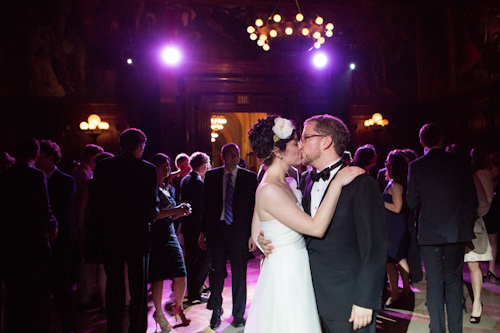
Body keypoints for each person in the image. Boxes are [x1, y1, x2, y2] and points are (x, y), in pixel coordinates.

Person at [259, 114, 388, 332]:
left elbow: (375, 247)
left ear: (326, 141)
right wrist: (264, 236)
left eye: (305, 137)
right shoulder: (306, 181)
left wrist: (366, 300)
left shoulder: (361, 184)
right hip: (307, 296)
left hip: (346, 299)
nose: (299, 143)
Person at [407, 123, 478, 333]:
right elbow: (471, 200)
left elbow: (411, 202)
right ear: (442, 139)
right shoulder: (460, 162)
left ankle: (436, 330)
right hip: (455, 232)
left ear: (422, 142)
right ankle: (456, 330)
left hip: (429, 234)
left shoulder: (417, 166)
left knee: (435, 283)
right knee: (454, 281)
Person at [92, 128, 159, 333]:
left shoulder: (104, 167)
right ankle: (137, 328)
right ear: (140, 146)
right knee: (138, 286)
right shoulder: (147, 169)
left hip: (111, 234)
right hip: (137, 233)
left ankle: (114, 327)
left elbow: (97, 202)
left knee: (114, 283)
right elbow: (152, 206)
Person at [0, 137, 57, 333]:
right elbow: (43, 208)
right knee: (38, 293)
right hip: (34, 243)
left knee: (15, 294)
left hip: (9, 243)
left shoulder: (5, 177)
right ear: (37, 155)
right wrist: (52, 226)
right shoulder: (36, 175)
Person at [199, 143, 258, 329]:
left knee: (239, 273)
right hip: (218, 230)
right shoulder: (212, 176)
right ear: (222, 156)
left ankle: (238, 314)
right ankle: (216, 311)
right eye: (230, 154)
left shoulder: (249, 178)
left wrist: (253, 234)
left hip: (239, 231)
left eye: (236, 154)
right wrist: (202, 232)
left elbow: (254, 207)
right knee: (216, 273)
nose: (234, 157)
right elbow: (205, 205)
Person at [36, 140, 77, 333]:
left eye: (40, 156)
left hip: (59, 239)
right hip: (39, 240)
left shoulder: (66, 180)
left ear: (51, 158)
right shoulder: (34, 179)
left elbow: (63, 212)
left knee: (62, 284)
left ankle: (69, 324)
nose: (37, 160)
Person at [148, 153, 192, 331]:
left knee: (181, 273)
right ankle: (159, 313)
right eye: (163, 165)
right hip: (156, 235)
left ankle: (178, 306)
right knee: (158, 277)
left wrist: (180, 212)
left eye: (168, 164)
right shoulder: (151, 189)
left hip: (169, 233)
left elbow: (168, 216)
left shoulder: (170, 188)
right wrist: (175, 210)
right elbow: (154, 215)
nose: (167, 167)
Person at [71, 144, 104, 307]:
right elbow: (80, 205)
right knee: (86, 262)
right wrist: (81, 228)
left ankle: (89, 294)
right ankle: (85, 296)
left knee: (90, 263)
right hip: (87, 224)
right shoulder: (84, 175)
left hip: (88, 224)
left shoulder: (85, 173)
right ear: (93, 157)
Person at [464, 147, 494, 324]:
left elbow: (484, 202)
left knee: (473, 264)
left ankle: (477, 303)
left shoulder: (472, 175)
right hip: (453, 225)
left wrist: (471, 216)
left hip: (470, 224)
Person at [180, 152, 212, 304]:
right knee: (206, 257)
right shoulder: (198, 182)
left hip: (187, 226)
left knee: (191, 259)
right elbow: (201, 209)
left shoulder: (186, 179)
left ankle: (193, 291)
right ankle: (194, 290)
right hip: (195, 227)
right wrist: (203, 230)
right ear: (203, 165)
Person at [382, 150, 411, 307]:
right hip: (392, 226)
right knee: (395, 260)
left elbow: (397, 207)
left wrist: (379, 202)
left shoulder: (397, 185)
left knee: (393, 260)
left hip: (395, 227)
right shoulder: (394, 183)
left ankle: (397, 293)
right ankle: (403, 290)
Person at [484, 152, 500, 281]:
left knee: (491, 241)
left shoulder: (482, 173)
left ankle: (491, 270)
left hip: (489, 210)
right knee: (492, 241)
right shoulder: (488, 174)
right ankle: (491, 270)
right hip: (491, 210)